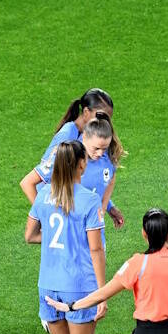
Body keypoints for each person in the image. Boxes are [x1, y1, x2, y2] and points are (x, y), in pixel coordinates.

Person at [25, 140, 108, 334]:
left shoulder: (44, 194)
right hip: (78, 286)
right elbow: (96, 250)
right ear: (81, 165)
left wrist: (52, 243)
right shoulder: (87, 199)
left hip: (47, 283)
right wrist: (102, 293)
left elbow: (30, 235)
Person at [20, 88, 125, 229]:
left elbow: (99, 175)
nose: (105, 123)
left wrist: (108, 207)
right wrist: (46, 216)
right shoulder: (67, 137)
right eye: (100, 117)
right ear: (86, 112)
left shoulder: (94, 141)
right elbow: (42, 178)